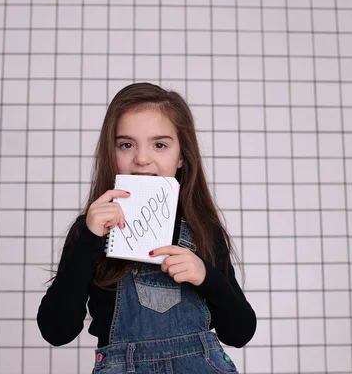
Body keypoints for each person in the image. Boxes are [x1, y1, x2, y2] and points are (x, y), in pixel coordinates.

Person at [37, 82, 256, 373]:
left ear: (181, 157)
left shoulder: (203, 228)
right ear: (111, 152)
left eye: (160, 145)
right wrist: (88, 241)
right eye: (126, 144)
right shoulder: (88, 231)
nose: (142, 158)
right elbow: (56, 331)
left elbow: (240, 333)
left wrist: (207, 277)